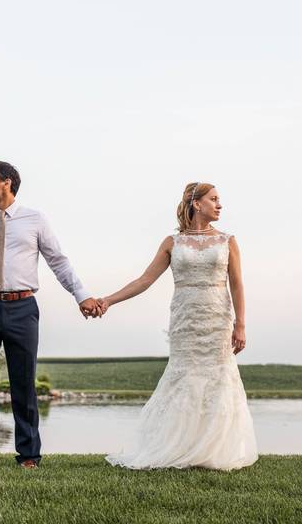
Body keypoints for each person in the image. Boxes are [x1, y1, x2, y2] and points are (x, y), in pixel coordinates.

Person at [0, 160, 101, 469]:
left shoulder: (35, 220)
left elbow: (58, 261)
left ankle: (29, 456)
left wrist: (81, 296)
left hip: (22, 308)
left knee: (24, 384)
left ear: (6, 182)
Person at [100, 182, 258, 470]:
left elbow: (237, 284)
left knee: (218, 380)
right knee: (183, 378)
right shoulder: (173, 243)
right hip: (185, 319)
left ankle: (213, 450)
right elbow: (144, 280)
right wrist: (109, 300)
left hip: (216, 319)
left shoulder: (227, 241)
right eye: (214, 199)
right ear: (197, 204)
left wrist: (241, 325)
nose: (219, 205)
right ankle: (178, 447)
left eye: (219, 200)